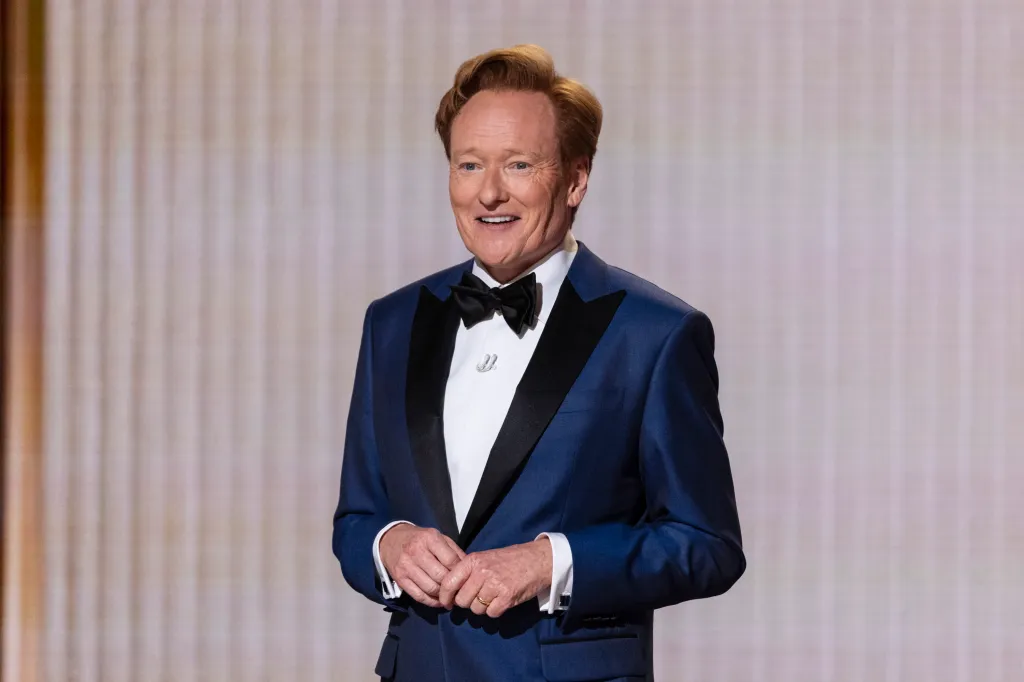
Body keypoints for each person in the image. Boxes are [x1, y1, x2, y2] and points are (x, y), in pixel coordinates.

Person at [333, 44, 745, 682]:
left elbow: (707, 545)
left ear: (577, 178)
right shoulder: (390, 323)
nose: (488, 191)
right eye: (468, 165)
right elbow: (356, 518)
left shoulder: (656, 334)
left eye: (518, 164)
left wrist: (554, 562)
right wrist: (388, 546)